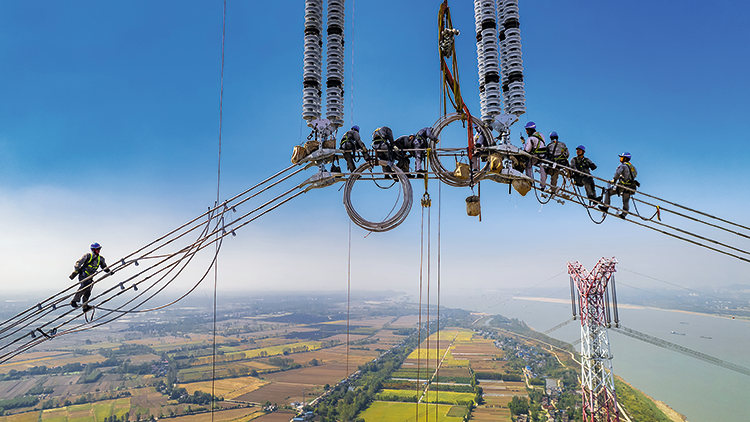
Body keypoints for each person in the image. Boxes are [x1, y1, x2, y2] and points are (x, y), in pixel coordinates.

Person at [69, 243, 112, 312]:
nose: (99, 250)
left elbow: (104, 266)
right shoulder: (87, 256)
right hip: (83, 275)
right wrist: (76, 270)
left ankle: (85, 306)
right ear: (93, 250)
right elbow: (79, 263)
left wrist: (109, 271)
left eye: (99, 249)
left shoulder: (101, 259)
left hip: (90, 277)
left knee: (87, 292)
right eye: (97, 249)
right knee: (83, 287)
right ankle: (74, 301)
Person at [600, 152, 639, 218]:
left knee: (608, 192)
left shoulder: (622, 166)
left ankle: (605, 207)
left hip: (622, 185)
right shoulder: (632, 167)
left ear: (625, 158)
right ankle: (624, 214)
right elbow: (635, 175)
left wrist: (614, 180)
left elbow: (617, 174)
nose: (620, 158)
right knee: (625, 201)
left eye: (621, 157)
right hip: (630, 186)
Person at [521, 121, 547, 189]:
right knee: (543, 170)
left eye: (527, 131)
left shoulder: (530, 139)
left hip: (536, 156)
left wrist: (523, 143)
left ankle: (530, 181)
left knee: (528, 165)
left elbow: (527, 150)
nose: (526, 132)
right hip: (544, 156)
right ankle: (543, 185)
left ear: (529, 130)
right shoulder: (541, 134)